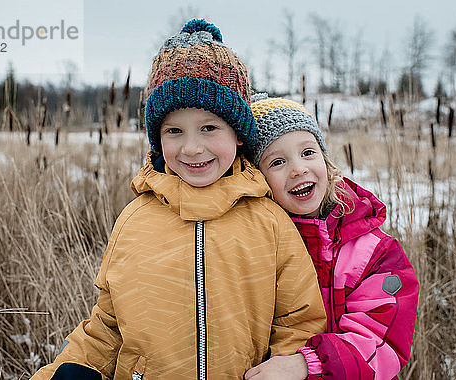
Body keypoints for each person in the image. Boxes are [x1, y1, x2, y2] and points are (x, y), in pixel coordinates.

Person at [31, 21, 327, 380]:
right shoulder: (135, 220)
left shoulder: (270, 221)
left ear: (238, 135)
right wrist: (70, 369)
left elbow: (299, 322)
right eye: (174, 131)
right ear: (158, 140)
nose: (191, 148)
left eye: (209, 128)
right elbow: (107, 326)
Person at [244, 95, 419, 380]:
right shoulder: (253, 246)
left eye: (308, 152)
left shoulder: (374, 252)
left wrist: (309, 365)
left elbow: (382, 339)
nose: (298, 168)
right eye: (277, 161)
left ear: (325, 160)